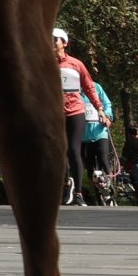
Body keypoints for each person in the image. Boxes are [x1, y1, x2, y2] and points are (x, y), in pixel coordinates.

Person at [53, 29, 104, 204]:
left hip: (75, 112)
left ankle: (79, 193)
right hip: (54, 113)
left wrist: (99, 108)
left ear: (64, 43)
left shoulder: (76, 64)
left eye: (55, 40)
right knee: (59, 151)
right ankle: (66, 184)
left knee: (74, 150)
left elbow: (89, 87)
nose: (51, 42)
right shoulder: (43, 63)